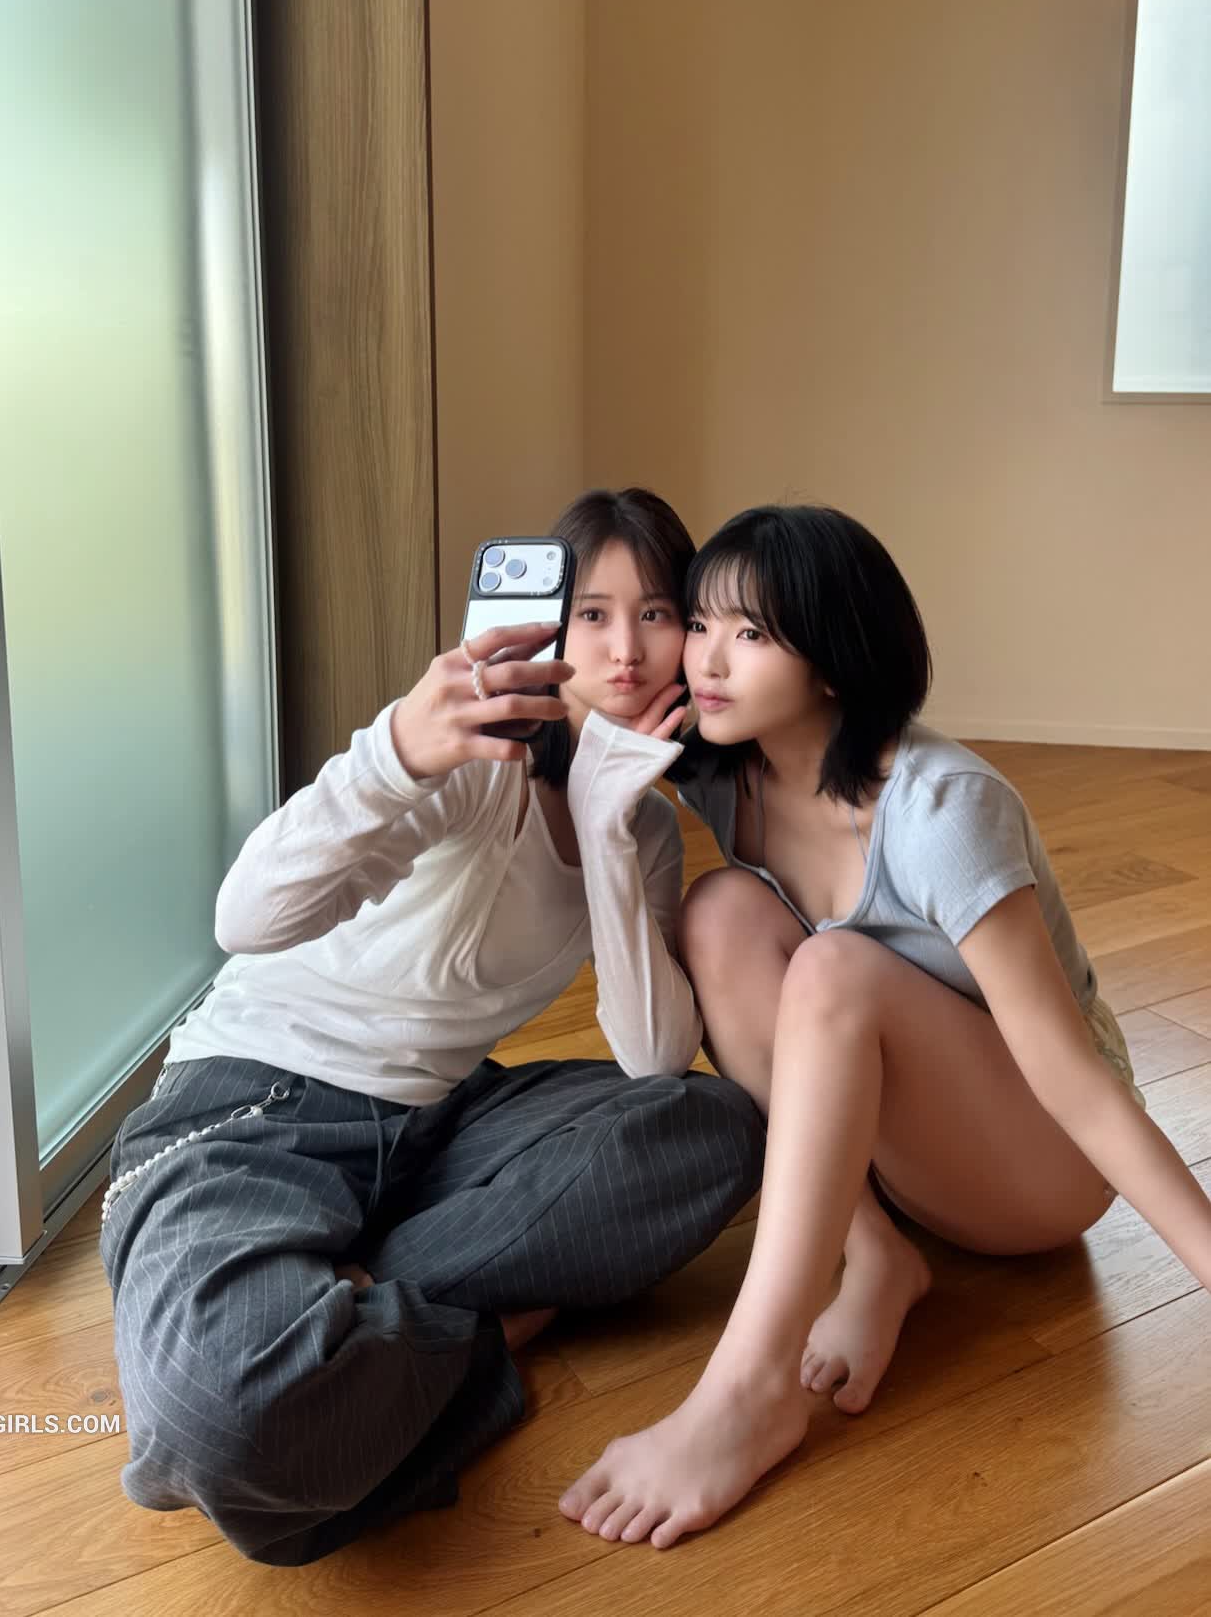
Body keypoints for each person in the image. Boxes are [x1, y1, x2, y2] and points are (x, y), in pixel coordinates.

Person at [98, 487, 766, 1566]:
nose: (625, 648)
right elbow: (242, 919)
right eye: (591, 613)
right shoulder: (467, 761)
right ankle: (482, 1324)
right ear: (546, 623)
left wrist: (606, 823)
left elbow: (651, 1062)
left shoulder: (643, 827)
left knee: (717, 1126)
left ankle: (345, 1310)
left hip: (438, 1121)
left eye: (655, 614)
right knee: (220, 1418)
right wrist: (396, 751)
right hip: (259, 1105)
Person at [559, 502, 1211, 1550]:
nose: (706, 658)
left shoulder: (942, 810)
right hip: (905, 1154)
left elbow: (1073, 1079)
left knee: (834, 968)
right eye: (703, 622)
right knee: (720, 913)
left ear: (833, 658)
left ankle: (748, 1389)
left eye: (751, 632)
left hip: (1040, 1168)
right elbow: (588, 706)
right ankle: (875, 1257)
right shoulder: (727, 771)